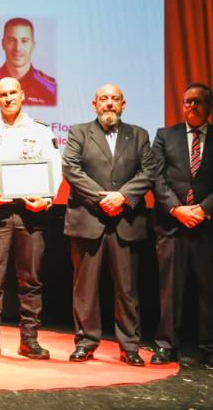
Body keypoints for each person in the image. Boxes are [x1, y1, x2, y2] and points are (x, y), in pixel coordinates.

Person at [0, 77, 62, 358]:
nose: (8, 98)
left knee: (30, 279)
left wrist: (47, 199)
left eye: (13, 93)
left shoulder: (40, 130)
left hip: (31, 211)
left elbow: (56, 167)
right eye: (3, 94)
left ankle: (29, 339)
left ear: (22, 95)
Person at [62, 83, 156, 366]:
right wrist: (102, 198)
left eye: (115, 99)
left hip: (125, 221)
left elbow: (149, 171)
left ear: (123, 105)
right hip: (88, 218)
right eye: (104, 99)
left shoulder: (138, 135)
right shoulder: (79, 132)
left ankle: (129, 346)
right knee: (85, 288)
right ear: (94, 104)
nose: (109, 103)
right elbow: (71, 168)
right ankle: (85, 342)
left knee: (127, 290)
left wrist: (123, 197)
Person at [151, 83, 213, 369]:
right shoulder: (165, 135)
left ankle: (211, 348)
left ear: (209, 106)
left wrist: (203, 209)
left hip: (208, 226)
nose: (191, 106)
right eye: (187, 101)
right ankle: (166, 346)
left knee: (210, 290)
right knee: (170, 290)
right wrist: (177, 209)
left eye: (198, 101)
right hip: (172, 225)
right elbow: (157, 177)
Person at [0, 18, 57, 106]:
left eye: (24, 41)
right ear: (3, 44)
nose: (18, 48)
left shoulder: (51, 89)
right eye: (12, 40)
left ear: (33, 46)